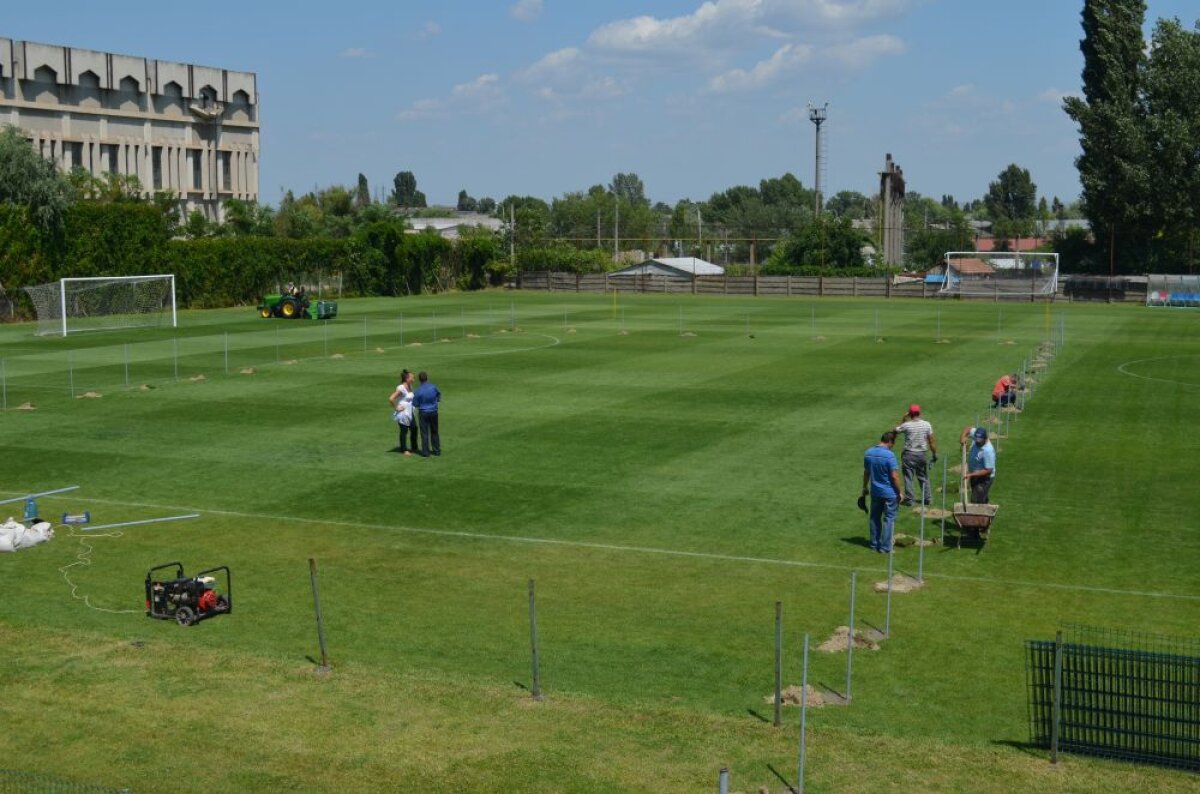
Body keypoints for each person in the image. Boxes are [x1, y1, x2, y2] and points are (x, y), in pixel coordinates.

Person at [862, 430, 905, 553]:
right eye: (893, 443)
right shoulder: (889, 455)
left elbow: (866, 473)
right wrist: (900, 492)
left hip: (875, 492)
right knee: (889, 519)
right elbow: (894, 476)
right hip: (890, 494)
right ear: (890, 441)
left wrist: (864, 487)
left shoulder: (868, 453)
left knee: (874, 518)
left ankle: (874, 545)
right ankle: (886, 547)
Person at [894, 404, 938, 506]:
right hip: (921, 454)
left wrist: (903, 418)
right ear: (919, 413)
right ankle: (927, 499)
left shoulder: (907, 425)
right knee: (923, 477)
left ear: (910, 413)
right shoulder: (927, 424)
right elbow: (931, 441)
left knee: (908, 478)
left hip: (908, 454)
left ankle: (910, 500)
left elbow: (895, 430)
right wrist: (934, 454)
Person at [960, 425, 996, 503]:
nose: (977, 442)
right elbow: (967, 428)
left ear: (985, 438)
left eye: (979, 441)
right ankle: (984, 509)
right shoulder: (977, 434)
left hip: (984, 478)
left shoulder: (988, 450)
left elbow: (988, 470)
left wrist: (971, 475)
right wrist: (963, 438)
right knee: (980, 497)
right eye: (976, 440)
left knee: (976, 500)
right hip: (975, 474)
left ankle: (978, 513)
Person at [412, 370, 442, 457]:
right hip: (433, 412)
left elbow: (415, 404)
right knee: (435, 431)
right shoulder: (433, 387)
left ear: (419, 379)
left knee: (424, 433)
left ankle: (426, 452)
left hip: (423, 413)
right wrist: (436, 402)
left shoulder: (418, 391)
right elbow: (439, 395)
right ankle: (436, 450)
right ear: (427, 378)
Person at [388, 369, 417, 456]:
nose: (414, 379)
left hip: (410, 412)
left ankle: (414, 447)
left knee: (414, 428)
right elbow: (391, 398)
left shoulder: (410, 386)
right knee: (404, 431)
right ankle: (404, 449)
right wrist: (396, 408)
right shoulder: (401, 388)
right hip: (403, 413)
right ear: (407, 378)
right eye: (412, 377)